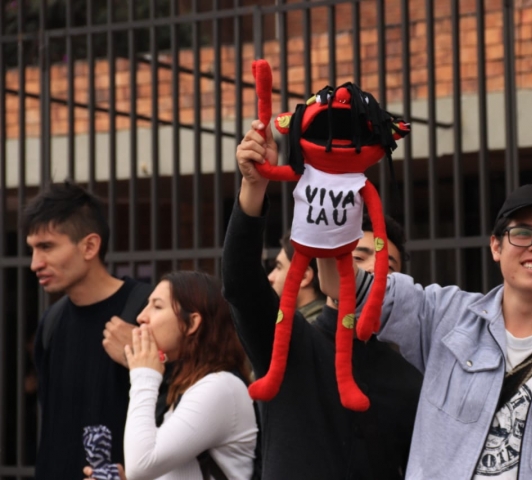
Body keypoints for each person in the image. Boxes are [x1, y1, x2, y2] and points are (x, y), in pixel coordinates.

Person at [319, 182, 532, 479]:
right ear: (496, 246)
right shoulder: (444, 316)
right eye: (523, 233)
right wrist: (326, 189)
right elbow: (338, 283)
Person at [222, 120, 422, 479]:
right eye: (358, 257)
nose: (370, 271)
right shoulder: (290, 344)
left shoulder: (411, 377)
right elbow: (239, 282)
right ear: (329, 260)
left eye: (386, 264)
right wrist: (254, 186)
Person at [23, 180, 151, 480]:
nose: (34, 264)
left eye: (46, 247)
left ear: (90, 246)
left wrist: (138, 361)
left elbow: (180, 404)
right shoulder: (51, 322)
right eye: (32, 249)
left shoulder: (146, 310)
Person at [85, 271, 258, 480]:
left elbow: (141, 466)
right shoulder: (191, 385)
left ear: (192, 323)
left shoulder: (220, 387)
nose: (141, 317)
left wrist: (143, 374)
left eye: (157, 306)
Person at [268, 231, 326, 323]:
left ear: (303, 276)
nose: (270, 277)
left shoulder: (307, 330)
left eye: (279, 267)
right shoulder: (322, 322)